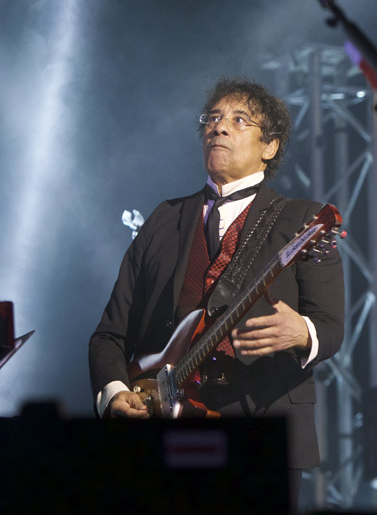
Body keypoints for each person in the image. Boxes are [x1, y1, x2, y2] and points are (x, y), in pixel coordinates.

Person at [89, 77, 345, 509]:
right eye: (212, 118)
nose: (219, 127)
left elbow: (331, 327)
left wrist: (302, 333)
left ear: (270, 146)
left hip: (264, 423)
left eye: (239, 120)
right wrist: (115, 391)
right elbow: (109, 334)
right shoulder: (163, 219)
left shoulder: (303, 221)